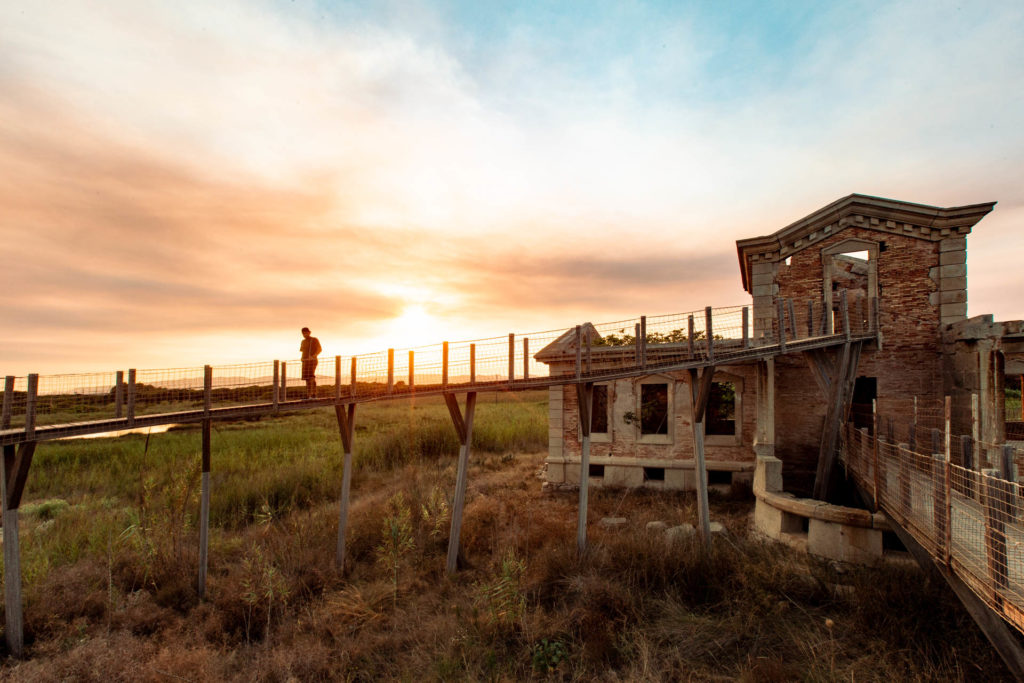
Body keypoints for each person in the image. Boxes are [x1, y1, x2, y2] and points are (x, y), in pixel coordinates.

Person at [300, 327, 322, 399]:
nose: (304, 334)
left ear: (309, 332)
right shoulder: (303, 341)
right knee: (306, 378)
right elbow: (303, 351)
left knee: (311, 377)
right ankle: (308, 394)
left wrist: (314, 356)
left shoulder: (314, 339)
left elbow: (319, 349)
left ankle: (313, 394)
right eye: (303, 333)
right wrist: (302, 358)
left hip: (312, 361)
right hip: (305, 361)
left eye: (306, 332)